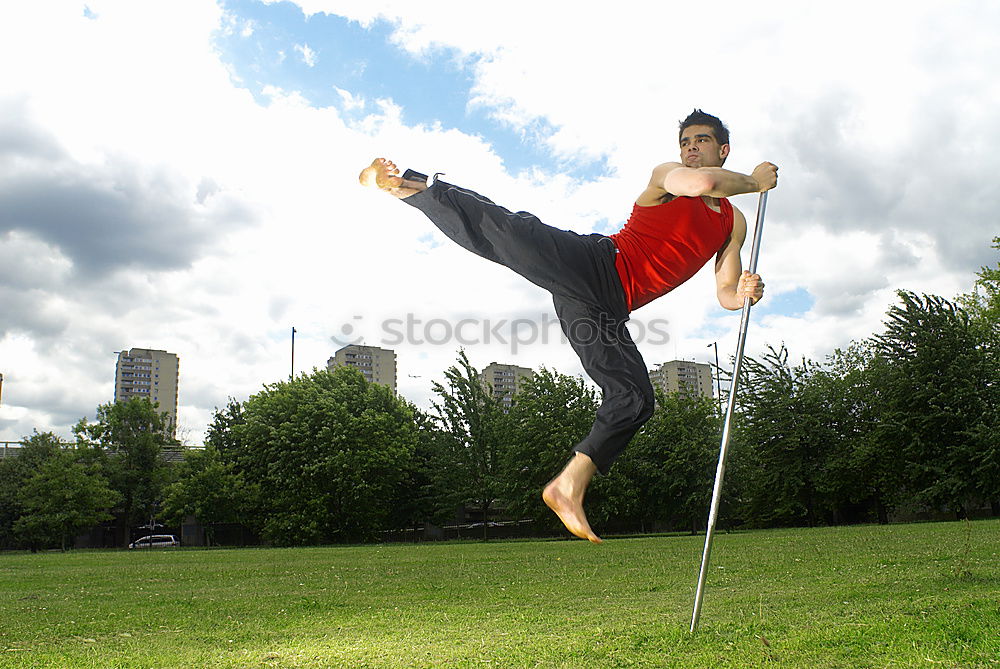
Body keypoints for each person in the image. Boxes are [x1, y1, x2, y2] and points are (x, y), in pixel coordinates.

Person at [359, 109, 776, 543]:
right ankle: (411, 185)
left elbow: (726, 292)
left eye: (702, 141)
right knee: (512, 230)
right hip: (594, 264)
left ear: (721, 149)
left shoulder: (733, 221)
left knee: (635, 398)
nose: (691, 148)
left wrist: (745, 291)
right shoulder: (668, 176)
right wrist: (753, 181)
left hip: (605, 311)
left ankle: (568, 485)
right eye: (686, 142)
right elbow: (704, 183)